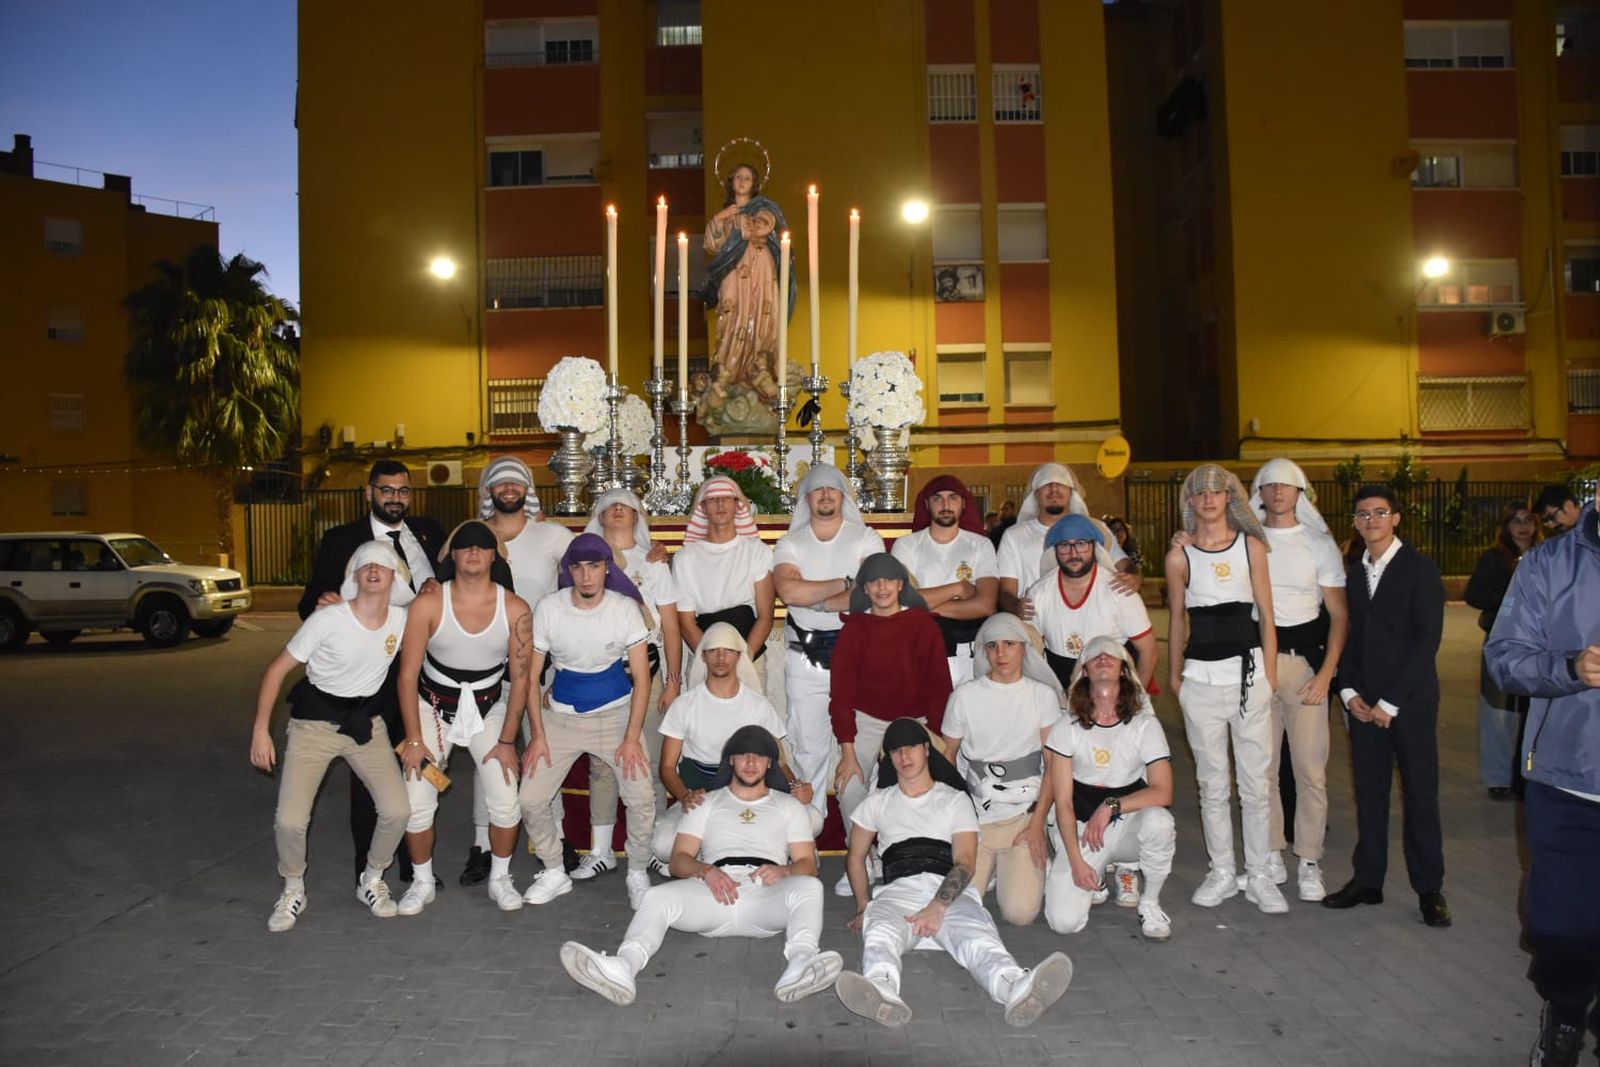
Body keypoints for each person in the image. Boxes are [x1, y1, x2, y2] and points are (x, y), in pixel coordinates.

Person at [559, 726, 841, 1006]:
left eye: (759, 756)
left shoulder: (788, 806)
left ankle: (801, 963)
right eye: (743, 754)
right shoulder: (705, 802)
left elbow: (807, 864)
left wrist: (784, 871)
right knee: (656, 896)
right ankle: (624, 966)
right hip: (714, 893)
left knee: (810, 887)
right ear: (731, 759)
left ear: (770, 763)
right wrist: (706, 871)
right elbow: (679, 860)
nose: (751, 762)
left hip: (766, 896)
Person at [834, 719, 1074, 1029]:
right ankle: (882, 988)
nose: (904, 755)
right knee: (879, 933)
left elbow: (966, 862)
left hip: (947, 890)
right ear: (889, 759)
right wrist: (863, 906)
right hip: (898, 891)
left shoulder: (954, 799)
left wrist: (938, 906)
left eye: (910, 747)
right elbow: (855, 858)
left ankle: (1015, 987)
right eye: (895, 750)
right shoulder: (877, 803)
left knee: (979, 940)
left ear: (925, 750)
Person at [1484, 495, 1600, 1066]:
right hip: (1567, 778)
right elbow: (1503, 658)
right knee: (1559, 927)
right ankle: (1567, 1007)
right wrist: (1571, 668)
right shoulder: (1548, 565)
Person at [250, 541, 413, 931]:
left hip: (364, 725)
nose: (374, 570)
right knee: (290, 820)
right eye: (365, 565)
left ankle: (372, 878)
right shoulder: (328, 619)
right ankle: (293, 888)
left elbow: (442, 613)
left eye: (383, 565)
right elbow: (276, 670)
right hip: (315, 725)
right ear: (354, 576)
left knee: (398, 811)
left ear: (394, 577)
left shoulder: (402, 620)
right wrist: (260, 731)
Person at [296, 459, 444, 884]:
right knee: (370, 771)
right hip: (374, 673)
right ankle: (369, 869)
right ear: (369, 493)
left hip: (428, 671)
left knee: (419, 764)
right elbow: (310, 601)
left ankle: (416, 866)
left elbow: (469, 557)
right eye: (386, 490)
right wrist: (324, 601)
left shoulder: (428, 532)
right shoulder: (342, 540)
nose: (395, 498)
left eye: (402, 491)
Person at [1324, 485, 1450, 929]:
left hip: (1410, 704)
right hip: (1363, 706)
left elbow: (1425, 642)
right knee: (1370, 795)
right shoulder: (1353, 573)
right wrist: (1349, 692)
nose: (1371, 520)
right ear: (1355, 522)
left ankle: (1430, 889)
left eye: (1380, 512)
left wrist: (1390, 703)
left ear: (1396, 518)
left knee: (1420, 795)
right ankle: (1368, 881)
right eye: (1363, 514)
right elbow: (1349, 636)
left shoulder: (1420, 570)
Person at [394, 520, 533, 915]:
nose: (473, 551)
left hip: (489, 709)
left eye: (482, 545)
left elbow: (521, 680)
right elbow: (407, 676)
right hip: (432, 709)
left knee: (506, 799)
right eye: (464, 545)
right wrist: (415, 738)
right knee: (418, 802)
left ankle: (500, 878)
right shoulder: (429, 603)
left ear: (493, 555)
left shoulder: (516, 608)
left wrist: (507, 741)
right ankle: (422, 883)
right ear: (452, 555)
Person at [1164, 464, 1285, 914]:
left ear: (1230, 498)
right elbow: (1177, 620)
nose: (1210, 499)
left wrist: (1269, 676)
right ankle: (1221, 871)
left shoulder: (1251, 546)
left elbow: (1268, 616)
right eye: (1201, 493)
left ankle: (1257, 875)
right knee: (1212, 783)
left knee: (1255, 783)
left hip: (1248, 676)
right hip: (1200, 681)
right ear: (1190, 502)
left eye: (1218, 491)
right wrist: (1177, 678)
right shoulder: (1179, 556)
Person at [516, 534, 655, 909]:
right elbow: (532, 678)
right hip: (560, 718)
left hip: (616, 716)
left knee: (641, 796)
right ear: (569, 572)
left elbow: (642, 679)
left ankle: (638, 871)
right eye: (578, 567)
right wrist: (538, 736)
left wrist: (630, 737)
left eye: (594, 566)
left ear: (607, 568)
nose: (586, 576)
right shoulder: (549, 608)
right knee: (529, 799)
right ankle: (553, 870)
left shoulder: (625, 608)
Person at [466, 455, 574, 884]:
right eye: (500, 483)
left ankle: (557, 838)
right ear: (488, 491)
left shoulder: (551, 534)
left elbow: (596, 560)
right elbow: (440, 578)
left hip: (543, 664)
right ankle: (482, 846)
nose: (508, 489)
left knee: (547, 753)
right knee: (489, 755)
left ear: (527, 491)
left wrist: (647, 550)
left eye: (516, 484)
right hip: (488, 666)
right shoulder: (475, 536)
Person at [1247, 458, 1348, 902]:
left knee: (1310, 769)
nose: (1278, 492)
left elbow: (1340, 615)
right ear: (1261, 492)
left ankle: (1309, 860)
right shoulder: (1246, 540)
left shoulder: (1319, 544)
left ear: (1300, 492)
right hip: (1257, 666)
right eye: (1270, 485)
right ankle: (1270, 853)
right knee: (1261, 770)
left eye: (1287, 486)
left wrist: (1327, 674)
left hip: (1306, 668)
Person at [572, 489, 684, 881]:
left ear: (638, 516)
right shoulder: (584, 559)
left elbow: (669, 626)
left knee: (648, 763)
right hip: (598, 671)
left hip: (646, 672)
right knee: (603, 766)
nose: (618, 510)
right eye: (610, 505)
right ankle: (601, 850)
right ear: (599, 515)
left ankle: (651, 847)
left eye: (627, 506)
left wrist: (672, 681)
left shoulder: (653, 561)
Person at [772, 465, 885, 825]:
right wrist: (844, 582)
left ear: (843, 496)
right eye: (817, 489)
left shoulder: (866, 538)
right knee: (810, 750)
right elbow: (789, 591)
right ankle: (810, 828)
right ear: (806, 497)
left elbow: (871, 595)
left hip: (860, 659)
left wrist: (815, 597)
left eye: (832, 489)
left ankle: (865, 838)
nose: (825, 495)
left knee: (865, 751)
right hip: (805, 660)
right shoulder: (790, 543)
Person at [1043, 636, 1176, 940]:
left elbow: (1163, 791)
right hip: (1080, 827)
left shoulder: (1144, 725)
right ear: (1084, 671)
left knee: (1159, 821)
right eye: (1095, 656)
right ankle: (1093, 868)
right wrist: (1077, 862)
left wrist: (1111, 805)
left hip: (1125, 822)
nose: (1103, 659)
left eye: (1112, 657)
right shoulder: (1067, 727)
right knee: (1064, 922)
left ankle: (1150, 900)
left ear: (1124, 671)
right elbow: (1062, 801)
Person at [651, 622, 815, 861]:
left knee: (813, 819)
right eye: (713, 650)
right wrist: (685, 796)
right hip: (703, 794)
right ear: (703, 656)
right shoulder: (684, 705)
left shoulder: (758, 705)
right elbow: (667, 767)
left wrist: (795, 788)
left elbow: (778, 762)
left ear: (739, 656)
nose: (720, 656)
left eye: (728, 650)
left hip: (751, 793)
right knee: (664, 844)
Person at [942, 613, 1063, 926]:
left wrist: (1037, 824)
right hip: (976, 820)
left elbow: (1053, 767)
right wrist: (953, 823)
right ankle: (991, 867)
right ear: (984, 652)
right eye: (992, 646)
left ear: (1024, 648)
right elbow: (947, 759)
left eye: (1009, 644)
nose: (1001, 653)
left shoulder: (1042, 696)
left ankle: (1025, 866)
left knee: (1019, 914)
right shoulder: (964, 696)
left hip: (1022, 817)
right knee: (957, 911)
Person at [828, 554, 952, 852]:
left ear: (900, 584)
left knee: (929, 781)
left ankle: (919, 852)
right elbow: (841, 696)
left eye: (888, 579)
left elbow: (939, 689)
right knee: (850, 784)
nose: (882, 587)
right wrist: (847, 751)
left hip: (915, 720)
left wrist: (939, 741)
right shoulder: (854, 630)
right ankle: (861, 855)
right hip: (867, 719)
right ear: (865, 589)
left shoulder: (923, 626)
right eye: (873, 581)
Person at [1028, 513, 1156, 691]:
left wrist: (1136, 700)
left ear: (1094, 547)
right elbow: (1030, 652)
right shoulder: (1038, 593)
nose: (1073, 553)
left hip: (1113, 693)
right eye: (1064, 545)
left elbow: (1148, 649)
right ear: (1055, 550)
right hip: (1059, 691)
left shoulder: (1119, 591)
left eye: (1081, 544)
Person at [700, 162, 794, 404]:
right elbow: (712, 245)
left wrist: (741, 222)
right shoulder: (726, 214)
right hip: (733, 270)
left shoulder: (763, 209)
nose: (742, 181)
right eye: (738, 177)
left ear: (754, 184)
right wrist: (720, 218)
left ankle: (758, 368)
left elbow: (764, 228)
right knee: (731, 314)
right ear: (731, 182)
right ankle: (727, 372)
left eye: (748, 178)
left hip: (760, 267)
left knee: (762, 313)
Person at [891, 475, 999, 685]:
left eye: (953, 498)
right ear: (926, 504)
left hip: (968, 652)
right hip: (918, 648)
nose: (945, 504)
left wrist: (921, 605)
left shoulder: (980, 545)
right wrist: (958, 588)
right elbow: (899, 601)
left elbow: (986, 605)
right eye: (937, 499)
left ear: (964, 503)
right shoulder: (906, 545)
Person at [1465, 502, 1538, 799]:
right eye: (1515, 521)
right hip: (1502, 643)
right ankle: (1498, 777)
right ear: (1506, 526)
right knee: (1497, 710)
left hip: (1538, 646)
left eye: (1528, 520)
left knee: (1533, 712)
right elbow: (1474, 595)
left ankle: (1528, 775)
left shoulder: (1547, 555)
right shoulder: (1493, 559)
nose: (1522, 526)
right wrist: (1511, 594)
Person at [996, 463, 1133, 619]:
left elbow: (1125, 565)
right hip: (1035, 630)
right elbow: (1006, 592)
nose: (1054, 489)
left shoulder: (1097, 529)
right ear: (1035, 494)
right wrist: (1016, 607)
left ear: (1070, 492)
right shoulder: (1014, 536)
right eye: (1046, 484)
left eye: (1061, 483)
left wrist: (1134, 578)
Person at [671, 476, 775, 677]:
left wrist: (743, 661)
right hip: (705, 657)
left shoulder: (757, 551)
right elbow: (686, 622)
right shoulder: (685, 558)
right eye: (712, 499)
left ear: (737, 505)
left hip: (749, 654)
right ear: (703, 507)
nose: (720, 504)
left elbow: (765, 616)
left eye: (727, 498)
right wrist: (711, 662)